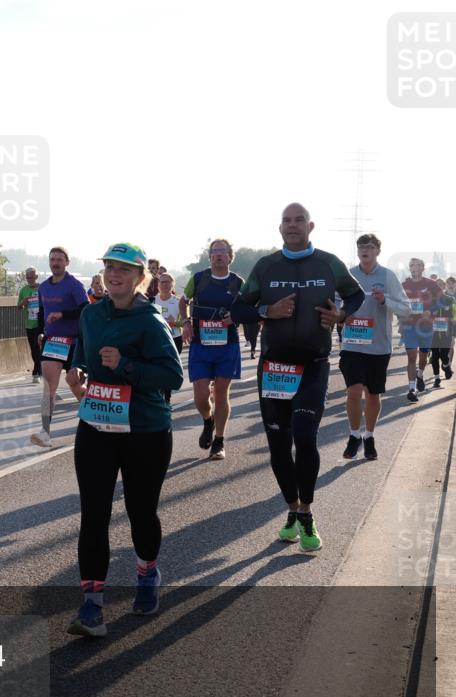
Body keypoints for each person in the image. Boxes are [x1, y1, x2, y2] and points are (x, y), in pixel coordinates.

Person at [65, 243, 183, 636]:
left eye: (124, 269)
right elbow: (83, 353)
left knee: (140, 512)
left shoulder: (151, 321)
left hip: (145, 431)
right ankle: (91, 606)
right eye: (109, 267)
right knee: (93, 515)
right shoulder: (91, 314)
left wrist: (127, 365)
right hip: (97, 425)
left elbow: (172, 377)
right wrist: (78, 372)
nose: (114, 274)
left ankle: (147, 573)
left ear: (139, 278)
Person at [231, 203, 364, 552]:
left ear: (310, 225)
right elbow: (238, 308)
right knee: (278, 444)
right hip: (274, 368)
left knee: (305, 436)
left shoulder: (329, 262)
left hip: (313, 364)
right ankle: (293, 510)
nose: (292, 226)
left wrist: (342, 314)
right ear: (280, 229)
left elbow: (355, 294)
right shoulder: (266, 266)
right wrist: (266, 311)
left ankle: (306, 511)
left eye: (298, 220)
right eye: (287, 221)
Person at [339, 234, 410, 461]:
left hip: (378, 346)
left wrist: (385, 300)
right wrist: (341, 315)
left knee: (372, 394)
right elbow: (336, 302)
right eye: (360, 247)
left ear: (378, 251)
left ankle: (368, 436)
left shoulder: (388, 277)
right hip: (352, 344)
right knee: (353, 391)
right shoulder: (348, 276)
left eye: (369, 247)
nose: (364, 251)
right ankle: (353, 435)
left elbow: (406, 309)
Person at [180, 239, 243, 460]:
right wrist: (186, 323)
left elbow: (247, 308)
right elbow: (183, 301)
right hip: (200, 344)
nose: (218, 255)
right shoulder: (199, 279)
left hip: (228, 345)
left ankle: (219, 440)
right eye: (214, 252)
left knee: (221, 393)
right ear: (210, 257)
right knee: (201, 395)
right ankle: (208, 421)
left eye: (222, 252)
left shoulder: (237, 282)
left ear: (229, 256)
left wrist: (234, 317)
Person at [31, 247, 88, 449]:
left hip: (74, 342)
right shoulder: (44, 287)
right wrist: (40, 331)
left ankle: (91, 412)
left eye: (59, 259)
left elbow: (85, 309)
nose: (55, 262)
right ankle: (45, 432)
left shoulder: (74, 285)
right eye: (52, 259)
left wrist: (63, 314)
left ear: (67, 262)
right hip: (53, 341)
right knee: (48, 389)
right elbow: (41, 312)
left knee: (74, 385)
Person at [401, 258, 443, 402]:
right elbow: (397, 302)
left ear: (423, 268)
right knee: (411, 356)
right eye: (412, 265)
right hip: (409, 325)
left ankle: (420, 373)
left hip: (426, 326)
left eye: (418, 265)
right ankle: (412, 388)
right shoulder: (404, 284)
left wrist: (430, 311)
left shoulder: (431, 284)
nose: (415, 268)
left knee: (423, 357)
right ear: (409, 268)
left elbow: (441, 301)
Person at [154, 271, 183, 403]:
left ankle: (167, 399)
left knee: (169, 369)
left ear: (172, 284)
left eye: (168, 282)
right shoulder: (153, 301)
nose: (165, 285)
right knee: (158, 368)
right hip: (157, 340)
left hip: (175, 338)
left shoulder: (178, 302)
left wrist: (174, 323)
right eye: (162, 282)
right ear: (158, 284)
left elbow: (185, 321)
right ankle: (160, 397)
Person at [17, 267, 42, 383]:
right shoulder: (23, 290)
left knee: (38, 347)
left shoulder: (43, 288)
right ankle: (39, 370)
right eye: (27, 277)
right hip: (29, 323)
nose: (29, 279)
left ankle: (36, 372)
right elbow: (18, 307)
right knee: (33, 349)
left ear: (36, 276)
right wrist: (23, 302)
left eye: (31, 277)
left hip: (41, 323)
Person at [430, 276, 455, 389]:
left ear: (444, 287)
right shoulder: (429, 300)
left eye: (440, 285)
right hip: (433, 332)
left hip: (446, 331)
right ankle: (436, 378)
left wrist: (451, 319)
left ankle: (446, 365)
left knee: (444, 354)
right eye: (436, 286)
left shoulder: (450, 299)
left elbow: (455, 314)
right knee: (435, 355)